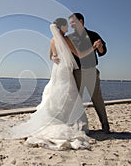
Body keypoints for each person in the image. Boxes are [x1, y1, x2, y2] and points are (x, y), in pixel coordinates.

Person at [12, 18, 93, 150]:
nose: (68, 28)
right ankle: (66, 119)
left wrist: (54, 58)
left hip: (57, 69)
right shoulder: (65, 39)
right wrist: (93, 48)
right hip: (65, 69)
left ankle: (56, 116)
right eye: (66, 26)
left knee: (57, 92)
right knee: (68, 93)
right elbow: (79, 54)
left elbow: (50, 56)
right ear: (61, 27)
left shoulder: (52, 40)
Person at [51, 13, 110, 134]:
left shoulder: (93, 35)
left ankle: (105, 126)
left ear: (81, 21)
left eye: (73, 22)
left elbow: (103, 52)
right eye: (70, 23)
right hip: (77, 72)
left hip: (91, 71)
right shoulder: (69, 37)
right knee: (76, 100)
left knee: (97, 98)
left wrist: (99, 47)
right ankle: (75, 126)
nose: (71, 25)